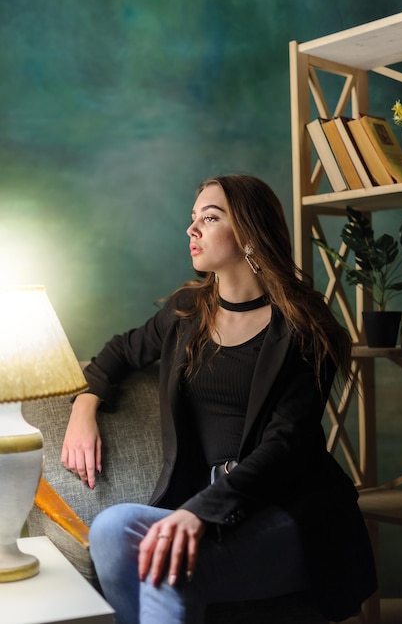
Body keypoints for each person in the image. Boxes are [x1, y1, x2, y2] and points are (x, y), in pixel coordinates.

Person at [61, 174, 377, 624]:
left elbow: (286, 446)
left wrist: (200, 515)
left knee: (169, 569)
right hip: (208, 500)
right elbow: (120, 352)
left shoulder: (305, 327)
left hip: (289, 509)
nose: (192, 229)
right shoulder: (187, 312)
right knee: (111, 528)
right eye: (193, 219)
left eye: (210, 218)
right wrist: (84, 405)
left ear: (249, 231)